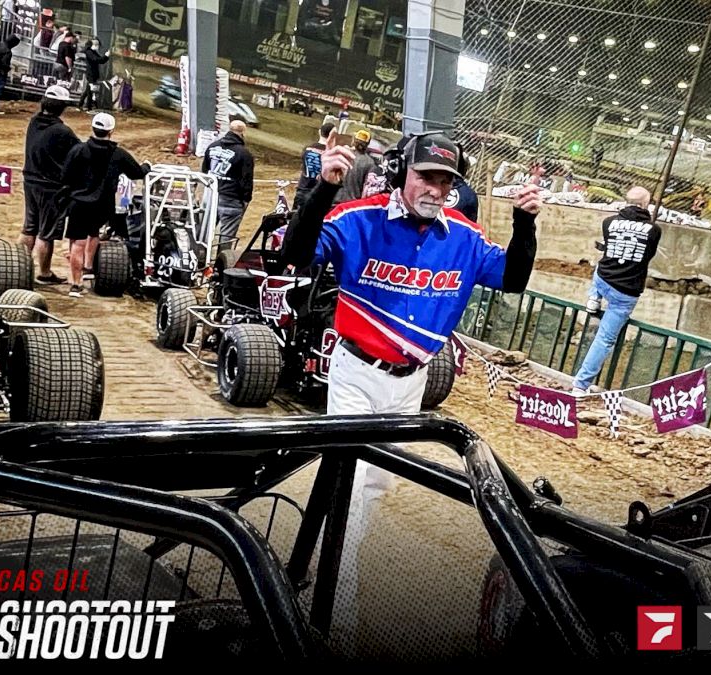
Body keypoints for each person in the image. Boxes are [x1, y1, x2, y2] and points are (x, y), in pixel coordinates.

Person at [279, 130, 541, 646]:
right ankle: (336, 621)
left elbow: (512, 279)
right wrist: (322, 188)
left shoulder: (464, 235)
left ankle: (305, 569)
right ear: (402, 172)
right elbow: (296, 252)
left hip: (412, 382)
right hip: (356, 372)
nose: (436, 188)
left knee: (370, 488)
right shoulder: (358, 218)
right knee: (353, 492)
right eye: (427, 176)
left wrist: (525, 222)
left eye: (446, 180)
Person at [571, 185, 661, 394]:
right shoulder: (654, 230)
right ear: (646, 204)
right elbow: (648, 255)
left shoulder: (608, 222)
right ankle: (580, 384)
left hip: (603, 279)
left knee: (601, 261)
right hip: (626, 291)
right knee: (604, 339)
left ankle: (594, 296)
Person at [58, 113, 150, 298]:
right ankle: (89, 267)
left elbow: (65, 177)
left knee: (77, 243)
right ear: (111, 131)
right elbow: (137, 173)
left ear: (92, 128)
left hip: (79, 204)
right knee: (94, 233)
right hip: (102, 205)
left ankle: (76, 285)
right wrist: (147, 166)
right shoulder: (118, 154)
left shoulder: (78, 150)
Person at [20, 85, 79, 285]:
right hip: (51, 188)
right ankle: (44, 274)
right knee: (46, 233)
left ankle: (18, 267)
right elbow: (79, 154)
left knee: (29, 228)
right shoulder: (63, 131)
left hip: (30, 180)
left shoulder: (33, 122)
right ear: (62, 107)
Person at [201, 120, 254, 248]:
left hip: (210, 195)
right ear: (242, 133)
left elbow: (204, 170)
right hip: (231, 198)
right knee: (226, 238)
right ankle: (221, 265)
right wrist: (246, 199)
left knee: (203, 233)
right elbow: (246, 180)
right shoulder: (244, 154)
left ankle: (198, 260)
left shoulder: (212, 146)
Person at [292, 120, 334, 210]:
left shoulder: (307, 149)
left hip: (303, 191)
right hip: (321, 195)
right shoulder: (332, 154)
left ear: (319, 132)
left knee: (296, 221)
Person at [332, 129, 375, 204]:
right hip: (351, 205)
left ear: (354, 141)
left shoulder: (344, 154)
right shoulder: (370, 163)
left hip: (334, 200)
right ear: (367, 144)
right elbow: (367, 189)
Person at [78, 39, 109, 112]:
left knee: (88, 90)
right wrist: (105, 56)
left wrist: (106, 56)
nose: (97, 46)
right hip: (90, 73)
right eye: (95, 44)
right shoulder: (89, 52)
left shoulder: (94, 52)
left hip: (94, 73)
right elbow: (96, 59)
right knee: (90, 91)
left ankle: (80, 104)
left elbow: (101, 60)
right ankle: (88, 107)